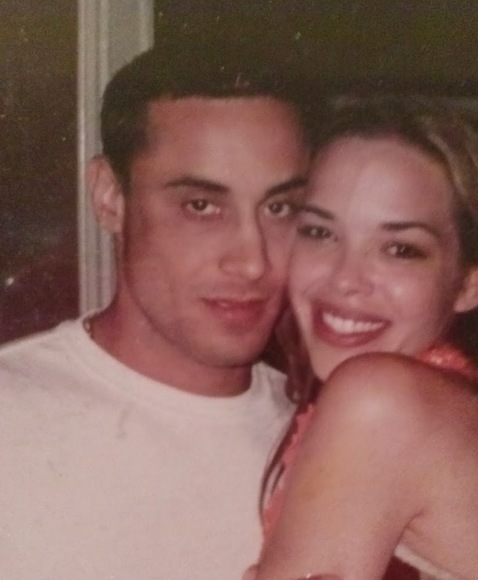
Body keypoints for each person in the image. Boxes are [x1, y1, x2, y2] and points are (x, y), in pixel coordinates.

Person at [0, 46, 314, 579]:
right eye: (201, 206)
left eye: (279, 208)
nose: (252, 261)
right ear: (109, 197)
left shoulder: (328, 441)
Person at [248, 97, 478, 579]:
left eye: (400, 249)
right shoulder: (463, 411)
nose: (344, 278)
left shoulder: (383, 402)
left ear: (470, 284)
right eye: (319, 232)